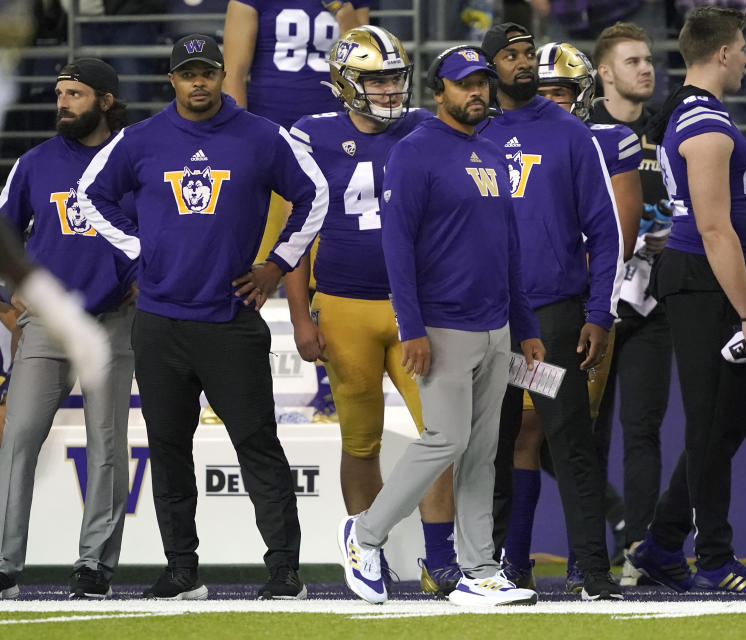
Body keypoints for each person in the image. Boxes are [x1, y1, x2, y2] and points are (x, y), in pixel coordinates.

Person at [76, 33, 329, 601]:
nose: (199, 83)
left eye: (208, 73)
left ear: (221, 76)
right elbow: (90, 193)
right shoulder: (142, 139)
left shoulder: (262, 136)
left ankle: (285, 571)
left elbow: (315, 193)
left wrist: (278, 264)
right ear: (172, 80)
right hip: (161, 321)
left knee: (257, 442)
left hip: (231, 317)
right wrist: (139, 249)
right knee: (167, 445)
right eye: (188, 74)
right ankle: (181, 569)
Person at [337, 45, 543, 608]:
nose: (476, 92)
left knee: (482, 449)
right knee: (446, 439)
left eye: (482, 82)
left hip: (496, 326)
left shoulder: (494, 152)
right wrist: (412, 327)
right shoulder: (414, 152)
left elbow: (510, 249)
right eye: (463, 84)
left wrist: (524, 324)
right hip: (443, 324)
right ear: (438, 93)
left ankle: (479, 568)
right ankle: (366, 533)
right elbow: (396, 247)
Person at [285, 25, 460, 598]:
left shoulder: (427, 130)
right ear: (344, 82)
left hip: (420, 309)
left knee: (442, 436)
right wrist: (301, 317)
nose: (388, 89)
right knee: (360, 442)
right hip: (343, 306)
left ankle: (441, 560)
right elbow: (295, 232)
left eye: (393, 78)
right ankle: (369, 554)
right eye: (375, 79)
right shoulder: (312, 136)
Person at [624, 6, 746, 595]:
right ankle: (714, 560)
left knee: (727, 418)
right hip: (704, 279)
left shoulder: (692, 115)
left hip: (698, 276)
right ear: (722, 54)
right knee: (710, 420)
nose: (745, 57)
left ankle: (665, 544)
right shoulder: (709, 127)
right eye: (741, 48)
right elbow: (716, 230)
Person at [478, 22, 625, 601]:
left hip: (550, 318)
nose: (522, 63)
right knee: (489, 444)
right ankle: (484, 570)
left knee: (569, 441)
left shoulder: (570, 134)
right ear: (490, 68)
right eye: (510, 56)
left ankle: (592, 571)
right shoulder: (472, 131)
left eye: (525, 54)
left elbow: (605, 231)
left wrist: (599, 312)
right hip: (486, 319)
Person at [0, 59, 130, 601]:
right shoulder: (34, 163)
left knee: (106, 443)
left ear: (104, 100)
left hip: (115, 317)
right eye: (59, 93)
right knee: (19, 436)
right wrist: (7, 301)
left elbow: (166, 226)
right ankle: (5, 562)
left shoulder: (133, 157)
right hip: (49, 322)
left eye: (75, 94)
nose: (62, 103)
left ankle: (93, 565)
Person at [221, 0, 370, 424]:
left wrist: (343, 9)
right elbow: (235, 70)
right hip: (269, 142)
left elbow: (365, 62)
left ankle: (331, 388)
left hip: (330, 145)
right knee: (244, 269)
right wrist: (241, 141)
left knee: (327, 270)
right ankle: (228, 390)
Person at [588, 22, 678, 585]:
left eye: (648, 59)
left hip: (650, 302)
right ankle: (593, 544)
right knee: (574, 431)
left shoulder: (668, 127)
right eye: (632, 61)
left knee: (643, 429)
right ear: (603, 72)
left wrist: (667, 231)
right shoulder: (577, 128)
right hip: (588, 301)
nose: (646, 68)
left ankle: (638, 549)